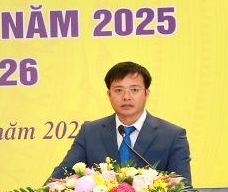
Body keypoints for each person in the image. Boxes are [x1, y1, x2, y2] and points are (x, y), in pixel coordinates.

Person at [49, 61, 191, 183]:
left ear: (146, 93)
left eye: (134, 90)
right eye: (118, 90)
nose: (126, 97)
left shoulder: (172, 135)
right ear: (109, 94)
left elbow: (183, 189)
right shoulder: (90, 132)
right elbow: (61, 176)